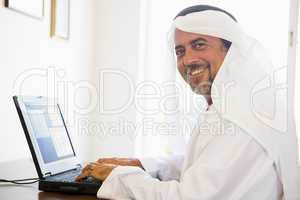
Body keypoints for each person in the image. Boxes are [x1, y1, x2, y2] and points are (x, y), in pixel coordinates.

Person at [76, 5, 300, 199]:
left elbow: (189, 197)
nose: (188, 59)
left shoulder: (242, 116)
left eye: (200, 44)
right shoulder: (236, 103)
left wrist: (117, 176)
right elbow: (206, 164)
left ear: (231, 50)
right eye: (180, 51)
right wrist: (143, 165)